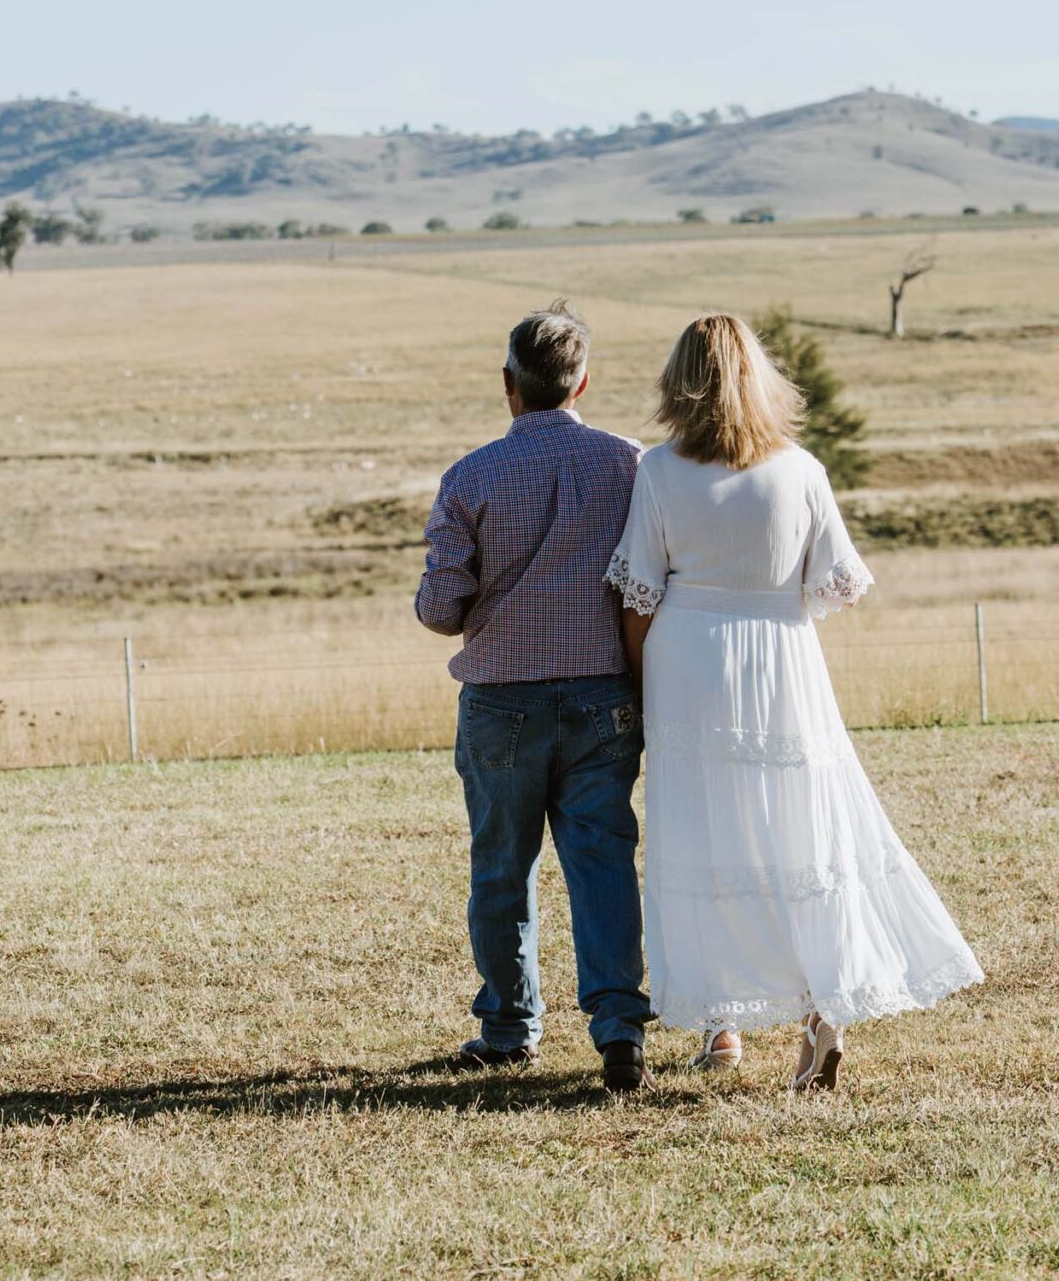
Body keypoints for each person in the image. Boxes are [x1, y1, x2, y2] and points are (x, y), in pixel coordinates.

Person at [605, 313, 981, 1088]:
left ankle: (724, 1027)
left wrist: (643, 686)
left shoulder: (658, 470)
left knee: (707, 835)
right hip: (782, 659)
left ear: (678, 382)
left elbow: (637, 595)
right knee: (802, 830)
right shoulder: (801, 468)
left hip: (688, 664)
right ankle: (821, 1007)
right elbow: (831, 584)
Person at [416, 299, 658, 1092]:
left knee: (501, 868)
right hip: (603, 694)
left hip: (501, 702)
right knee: (603, 863)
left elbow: (440, 611)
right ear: (582, 382)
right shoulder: (632, 465)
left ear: (509, 384)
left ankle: (509, 1026)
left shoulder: (470, 476)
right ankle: (619, 1028)